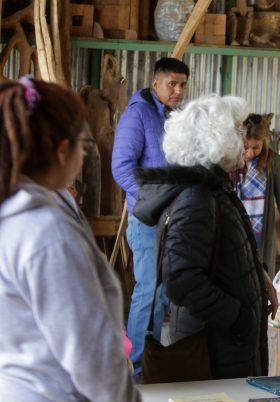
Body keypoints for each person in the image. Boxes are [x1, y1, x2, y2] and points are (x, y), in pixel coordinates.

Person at [0, 77, 145, 402]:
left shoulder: (11, 216)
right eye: (84, 147)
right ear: (62, 151)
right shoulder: (46, 233)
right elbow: (89, 349)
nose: (85, 158)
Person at [133, 94, 278, 379]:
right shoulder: (197, 197)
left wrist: (258, 278)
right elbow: (182, 280)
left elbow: (227, 253)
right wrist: (238, 317)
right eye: (237, 130)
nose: (243, 137)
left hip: (229, 348)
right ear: (217, 138)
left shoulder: (214, 189)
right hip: (214, 348)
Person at [112, 57, 189, 380]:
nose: (178, 90)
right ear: (155, 83)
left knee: (161, 292)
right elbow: (121, 167)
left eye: (183, 84)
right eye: (172, 83)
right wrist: (150, 202)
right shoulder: (138, 115)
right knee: (147, 288)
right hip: (146, 219)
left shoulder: (175, 117)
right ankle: (136, 369)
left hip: (173, 218)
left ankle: (153, 359)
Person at [231, 113, 280, 275]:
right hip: (233, 237)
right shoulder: (229, 162)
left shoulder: (274, 163)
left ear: (265, 141)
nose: (249, 154)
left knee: (262, 283)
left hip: (261, 240)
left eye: (256, 147)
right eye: (245, 147)